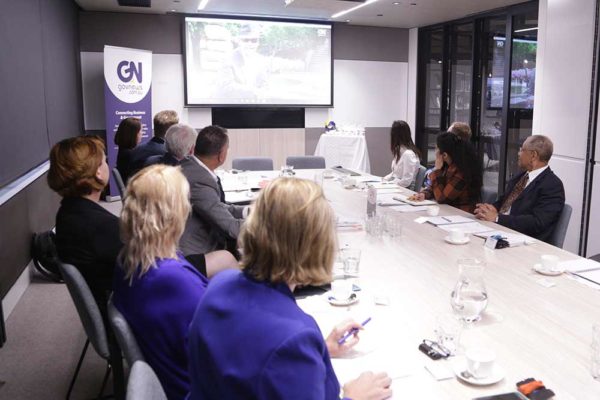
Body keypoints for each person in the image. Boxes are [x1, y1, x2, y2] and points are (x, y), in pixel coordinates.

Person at [187, 178, 392, 400]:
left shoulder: (219, 285)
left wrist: (319, 350)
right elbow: (275, 350)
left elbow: (249, 361)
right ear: (316, 245)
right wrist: (353, 397)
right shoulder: (295, 337)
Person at [112, 165, 236, 400]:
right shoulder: (171, 281)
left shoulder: (131, 257)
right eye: (184, 202)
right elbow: (225, 353)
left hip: (179, 372)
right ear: (173, 214)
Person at [48, 136, 119, 311]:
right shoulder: (100, 226)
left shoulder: (67, 212)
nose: (107, 165)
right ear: (98, 172)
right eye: (104, 161)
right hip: (124, 313)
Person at [474, 135, 565, 242]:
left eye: (522, 150)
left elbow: (537, 222)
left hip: (525, 242)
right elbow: (504, 201)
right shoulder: (521, 176)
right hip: (499, 231)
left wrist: (497, 218)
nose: (518, 153)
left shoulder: (552, 185)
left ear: (533, 155)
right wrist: (492, 208)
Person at [179, 125, 247, 256]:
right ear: (221, 155)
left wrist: (249, 211)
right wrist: (267, 220)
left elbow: (216, 207)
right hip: (196, 253)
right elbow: (232, 228)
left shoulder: (189, 165)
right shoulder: (200, 180)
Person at [410, 132, 482, 212]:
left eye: (436, 148)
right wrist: (424, 194)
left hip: (461, 213)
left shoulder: (462, 171)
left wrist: (436, 170)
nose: (435, 152)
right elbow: (434, 187)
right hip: (448, 210)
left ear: (444, 155)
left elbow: (441, 198)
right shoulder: (447, 165)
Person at [383, 120, 421, 188]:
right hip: (397, 184)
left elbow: (406, 181)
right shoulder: (399, 151)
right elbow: (395, 173)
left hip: (405, 188)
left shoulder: (408, 154)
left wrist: (390, 184)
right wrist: (384, 179)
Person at [114, 117, 142, 183]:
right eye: (140, 131)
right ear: (133, 134)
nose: (142, 134)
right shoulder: (130, 155)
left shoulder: (123, 152)